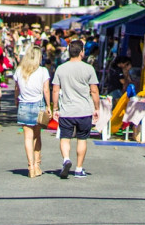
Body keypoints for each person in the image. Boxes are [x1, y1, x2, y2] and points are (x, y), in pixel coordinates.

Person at [52, 40, 100, 179]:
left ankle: (66, 159)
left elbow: (55, 90)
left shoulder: (61, 68)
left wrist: (55, 107)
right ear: (81, 52)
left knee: (65, 138)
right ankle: (79, 169)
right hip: (84, 110)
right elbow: (94, 90)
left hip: (67, 110)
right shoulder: (88, 69)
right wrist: (96, 108)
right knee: (82, 139)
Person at [14, 46, 52, 178]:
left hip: (24, 104)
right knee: (37, 136)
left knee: (27, 138)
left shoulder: (19, 71)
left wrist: (16, 101)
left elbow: (17, 89)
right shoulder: (43, 71)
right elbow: (46, 90)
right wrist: (49, 105)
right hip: (38, 104)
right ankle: (37, 165)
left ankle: (30, 166)